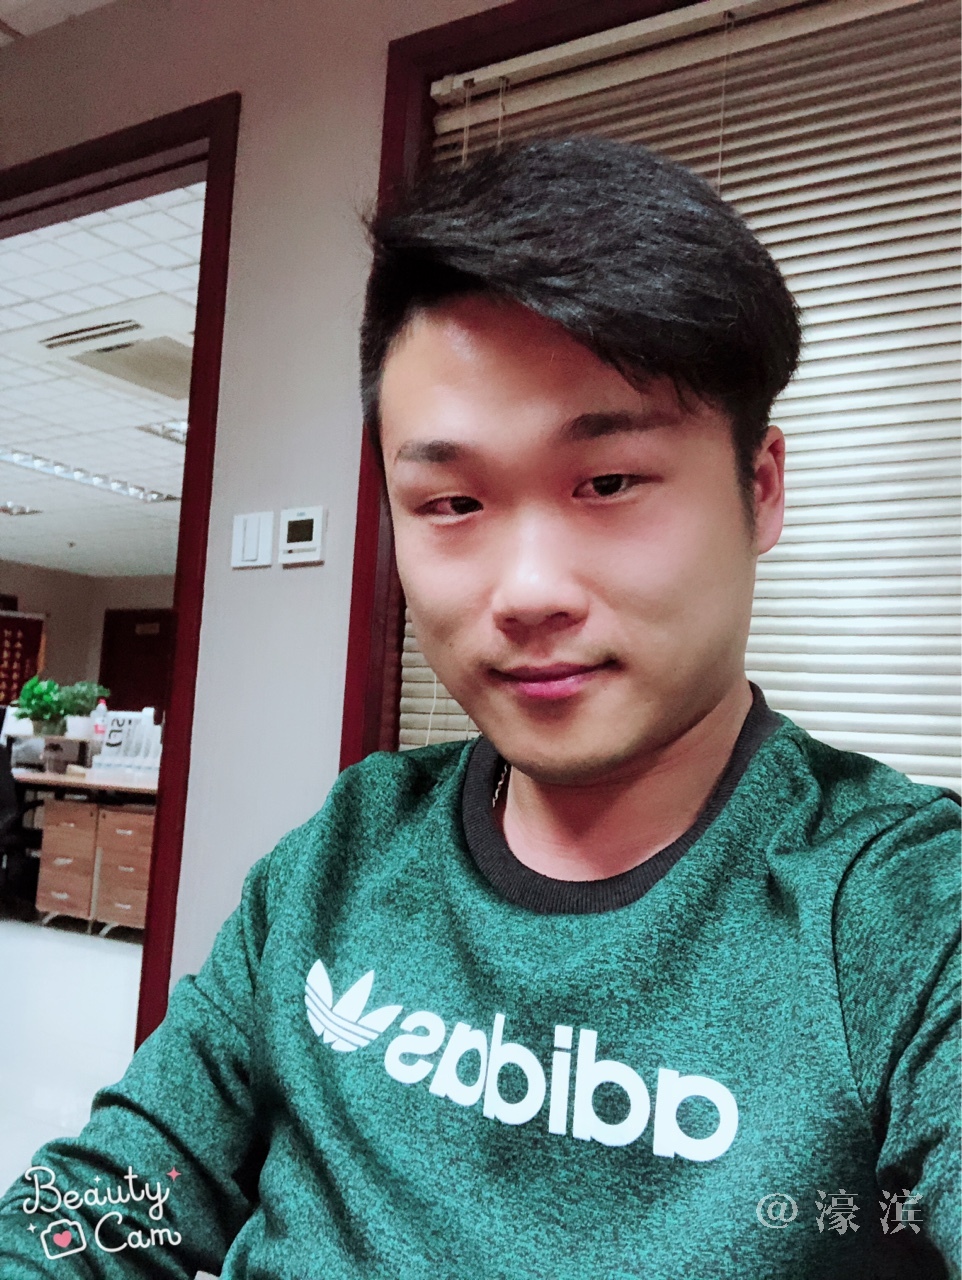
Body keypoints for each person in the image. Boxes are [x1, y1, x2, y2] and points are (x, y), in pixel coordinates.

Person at [0, 138, 958, 1279]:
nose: (527, 592)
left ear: (759, 489)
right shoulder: (346, 854)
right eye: (451, 502)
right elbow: (114, 1204)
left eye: (608, 482)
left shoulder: (900, 909)